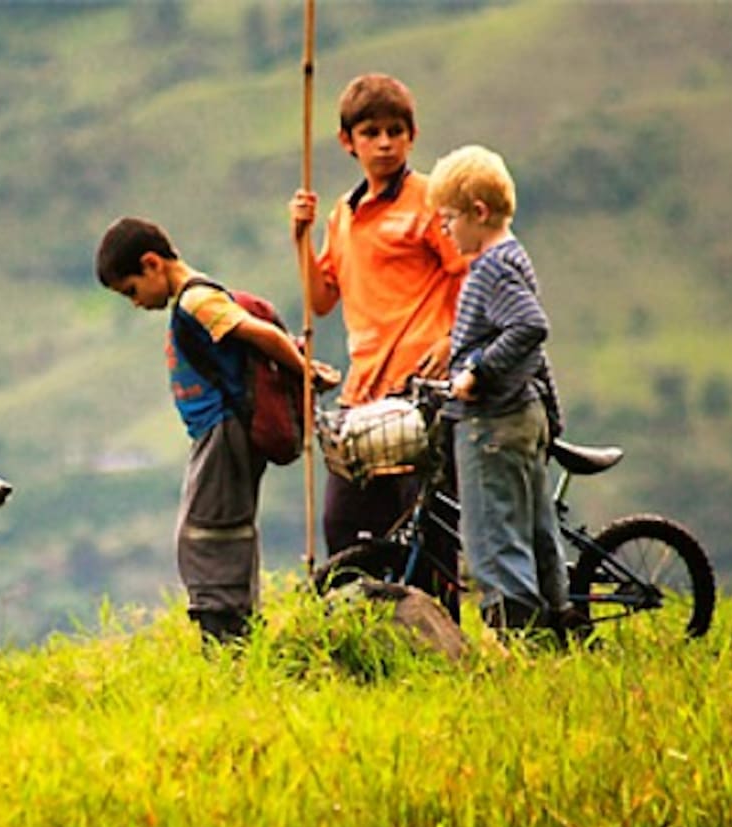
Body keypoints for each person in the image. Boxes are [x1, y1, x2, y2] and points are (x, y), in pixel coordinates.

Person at [95, 216, 338, 646]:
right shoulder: (198, 299)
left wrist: (301, 372)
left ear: (152, 264)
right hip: (217, 433)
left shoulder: (196, 301)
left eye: (131, 290)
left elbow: (259, 333)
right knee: (220, 527)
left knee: (209, 532)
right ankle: (236, 627)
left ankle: (228, 636)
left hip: (225, 432)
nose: (134, 302)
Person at [288, 73, 468, 620]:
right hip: (363, 396)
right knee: (346, 528)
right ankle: (363, 638)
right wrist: (299, 236)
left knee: (426, 530)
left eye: (395, 131)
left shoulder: (431, 200)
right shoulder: (343, 214)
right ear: (349, 142)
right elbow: (321, 299)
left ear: (411, 136)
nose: (384, 143)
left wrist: (449, 337)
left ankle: (443, 645)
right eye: (371, 132)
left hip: (420, 393)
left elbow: (469, 269)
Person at [425, 143, 573, 636]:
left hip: (492, 421)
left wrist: (476, 373)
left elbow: (530, 327)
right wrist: (549, 409)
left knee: (493, 535)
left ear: (478, 213)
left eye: (448, 217)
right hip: (522, 412)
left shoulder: (490, 268)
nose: (444, 228)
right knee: (536, 529)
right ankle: (559, 622)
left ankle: (519, 640)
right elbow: (532, 346)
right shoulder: (515, 256)